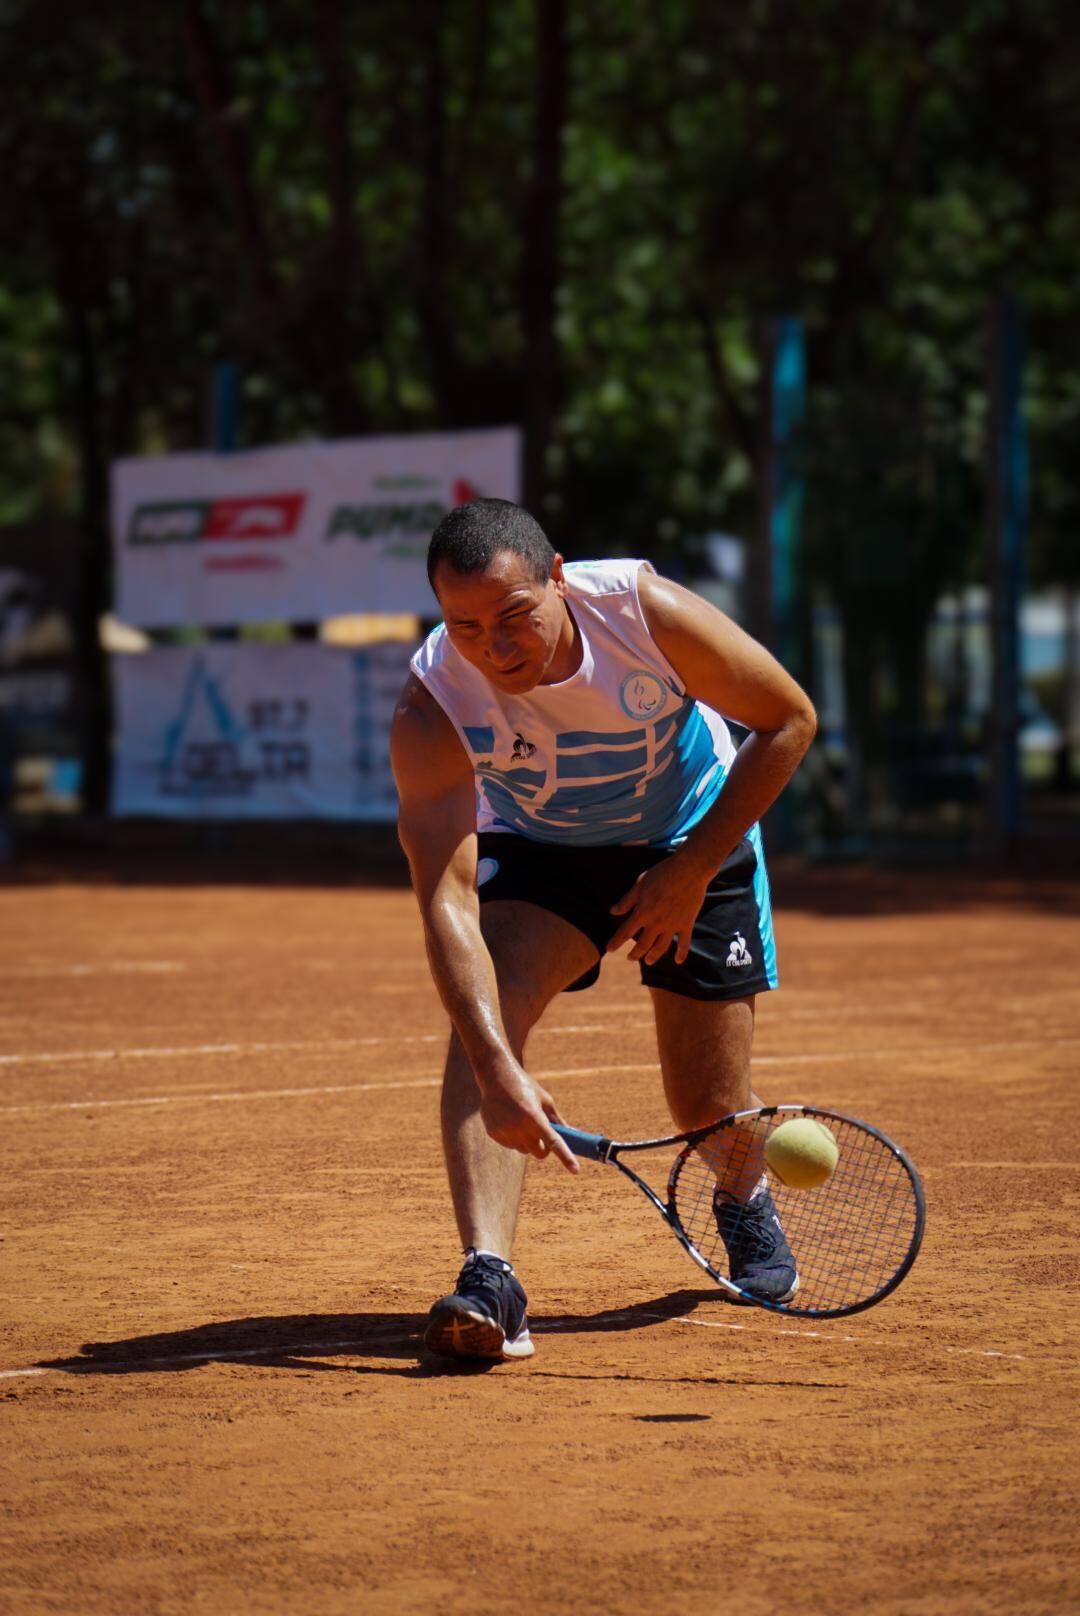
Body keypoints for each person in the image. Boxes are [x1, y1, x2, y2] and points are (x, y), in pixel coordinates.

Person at [390, 499, 816, 1361]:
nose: (493, 647)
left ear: (558, 578)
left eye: (514, 616)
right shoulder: (433, 704)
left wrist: (690, 871)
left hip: (694, 826)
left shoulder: (642, 615)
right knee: (493, 1023)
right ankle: (490, 1279)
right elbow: (446, 898)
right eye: (464, 626)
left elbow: (789, 719)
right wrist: (492, 1066)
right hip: (544, 848)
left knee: (705, 1105)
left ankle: (741, 1196)